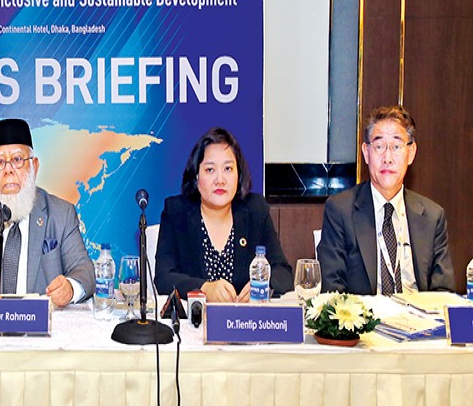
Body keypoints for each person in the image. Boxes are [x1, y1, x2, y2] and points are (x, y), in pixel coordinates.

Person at [0, 118, 95, 307]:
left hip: (43, 330)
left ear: (34, 166)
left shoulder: (61, 214)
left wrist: (70, 287)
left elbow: (85, 271)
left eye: (17, 160)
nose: (8, 170)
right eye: (0, 162)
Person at [318, 105, 454, 295]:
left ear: (411, 153)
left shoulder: (432, 216)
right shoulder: (340, 210)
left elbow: (443, 293)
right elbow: (333, 292)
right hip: (367, 322)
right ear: (366, 153)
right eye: (379, 147)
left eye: (397, 147)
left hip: (419, 322)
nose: (387, 158)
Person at [155, 127, 292, 302]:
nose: (220, 180)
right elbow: (163, 278)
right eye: (210, 170)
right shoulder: (176, 212)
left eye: (228, 168)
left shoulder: (256, 209)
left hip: (245, 322)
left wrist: (264, 285)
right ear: (197, 177)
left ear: (238, 174)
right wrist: (204, 289)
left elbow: (283, 272)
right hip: (195, 322)